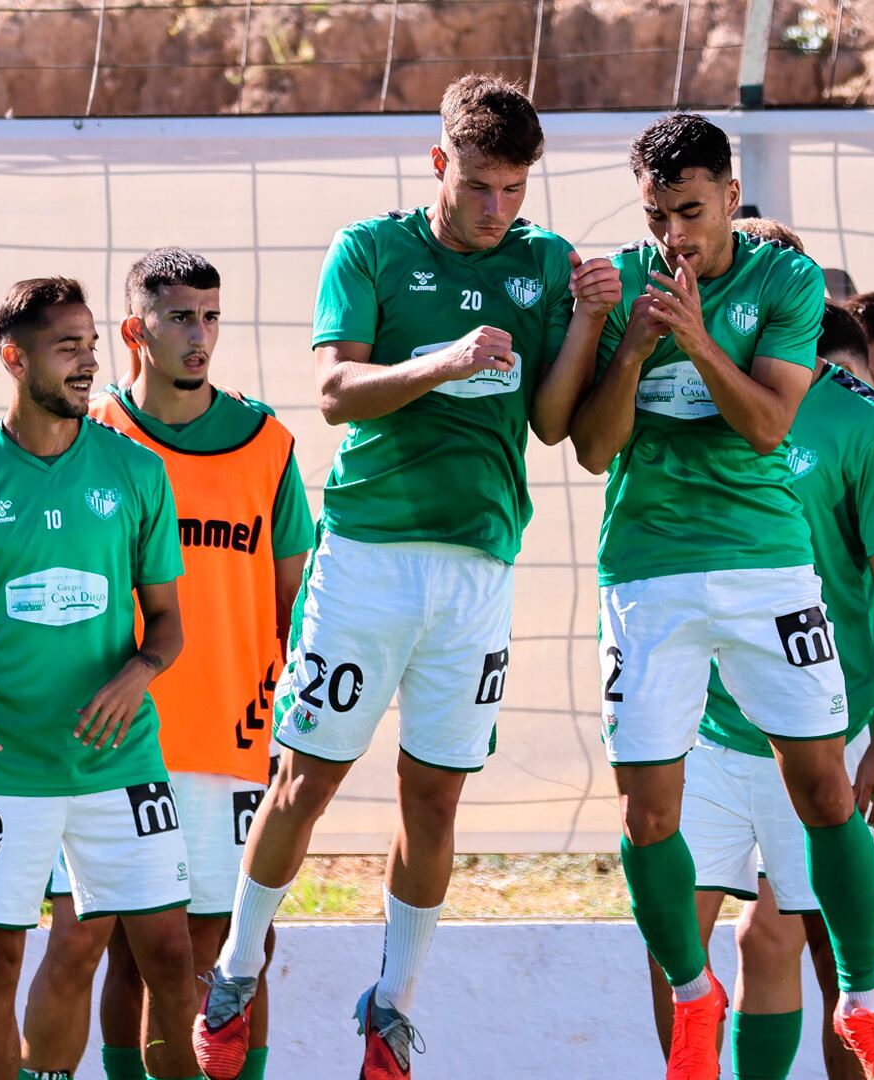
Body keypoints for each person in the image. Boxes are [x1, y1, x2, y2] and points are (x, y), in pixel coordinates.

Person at [194, 74, 622, 1080]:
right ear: (440, 163)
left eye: (515, 189)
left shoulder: (545, 263)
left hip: (478, 570)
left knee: (435, 803)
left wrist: (595, 323)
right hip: (369, 561)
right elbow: (336, 392)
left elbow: (559, 426)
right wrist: (440, 362)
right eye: (480, 185)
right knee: (305, 780)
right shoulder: (371, 250)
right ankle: (236, 966)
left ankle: (392, 1008)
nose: (496, 208)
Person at [542, 111, 874, 1080]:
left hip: (764, 566)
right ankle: (690, 990)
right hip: (649, 572)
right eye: (660, 214)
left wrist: (699, 342)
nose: (677, 236)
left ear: (732, 197)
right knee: (647, 819)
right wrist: (630, 345)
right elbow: (589, 448)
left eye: (694, 212)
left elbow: (763, 427)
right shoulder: (625, 281)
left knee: (824, 789)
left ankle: (866, 1008)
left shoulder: (783, 280)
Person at [0, 277, 204, 1080]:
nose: (88, 363)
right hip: (8, 771)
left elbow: (167, 625)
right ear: (13, 358)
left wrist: (138, 673)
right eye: (68, 347)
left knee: (170, 958)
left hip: (121, 763)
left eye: (92, 346)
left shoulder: (135, 472)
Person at [21, 249, 313, 1080]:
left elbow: (296, 602)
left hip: (231, 738)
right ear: (132, 331)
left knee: (223, 952)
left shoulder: (267, 443)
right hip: (106, 743)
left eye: (211, 316)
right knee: (94, 941)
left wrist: (296, 729)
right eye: (180, 316)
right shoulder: (89, 440)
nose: (201, 336)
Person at [643, 298, 874, 1080]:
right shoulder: (675, 388)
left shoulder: (864, 423)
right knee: (680, 941)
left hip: (822, 729)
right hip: (706, 729)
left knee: (850, 961)